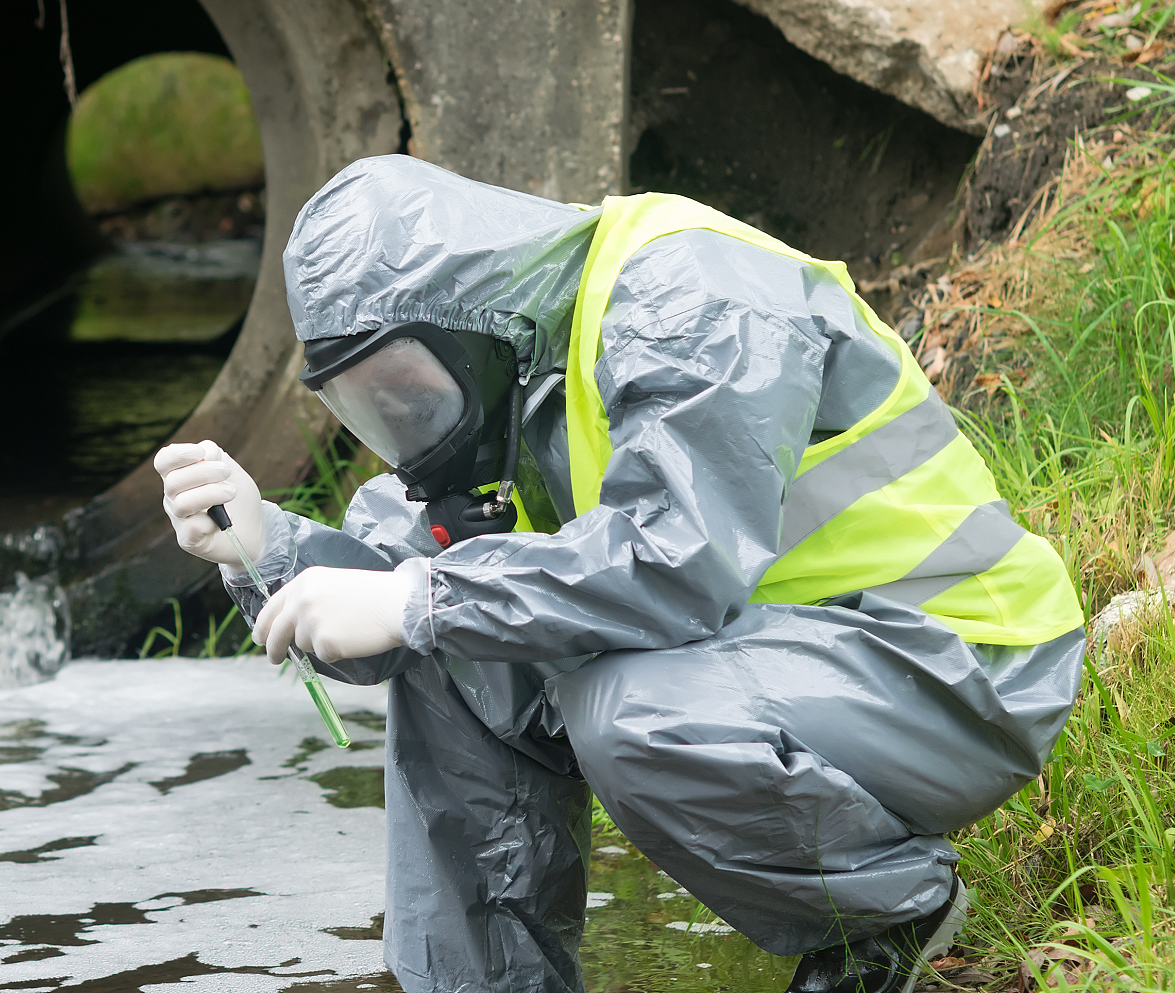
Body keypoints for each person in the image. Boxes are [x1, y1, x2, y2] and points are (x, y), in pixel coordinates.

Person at [154, 155, 1084, 993]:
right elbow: (393, 636)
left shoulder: (690, 293)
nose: (398, 426)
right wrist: (269, 546)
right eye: (365, 407)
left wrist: (417, 598)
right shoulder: (514, 383)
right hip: (788, 671)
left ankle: (883, 923)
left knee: (614, 697)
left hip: (954, 662)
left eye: (401, 387)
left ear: (460, 318)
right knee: (448, 632)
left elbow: (678, 566)